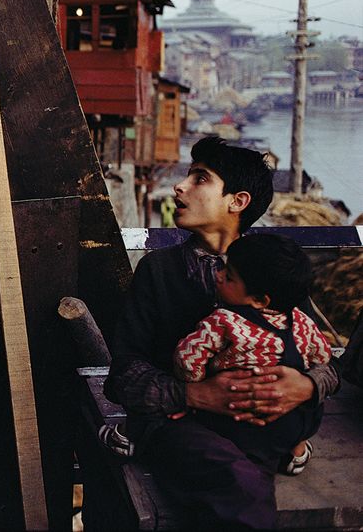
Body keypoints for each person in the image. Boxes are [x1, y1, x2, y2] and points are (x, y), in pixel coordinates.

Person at [104, 136, 340, 528]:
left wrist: (305, 386)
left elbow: (324, 360)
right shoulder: (158, 271)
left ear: (237, 202)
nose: (180, 186)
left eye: (200, 179)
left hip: (259, 425)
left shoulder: (272, 267)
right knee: (240, 484)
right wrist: (194, 393)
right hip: (183, 424)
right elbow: (123, 376)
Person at [173, 233, 332, 478]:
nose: (218, 275)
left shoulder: (223, 322)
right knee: (308, 410)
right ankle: (297, 450)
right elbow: (322, 356)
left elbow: (188, 358)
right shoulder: (301, 321)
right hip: (293, 422)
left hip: (239, 421)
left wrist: (196, 384)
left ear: (259, 300)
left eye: (229, 276)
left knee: (203, 426)